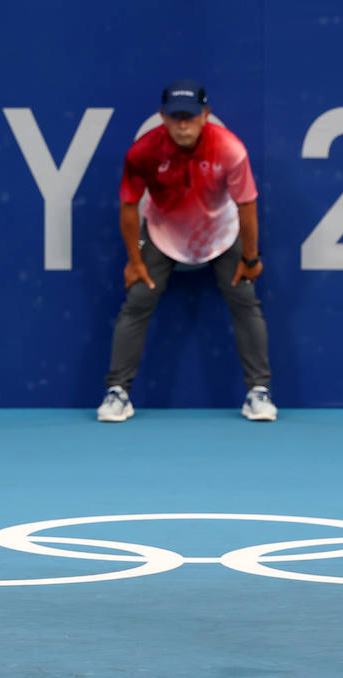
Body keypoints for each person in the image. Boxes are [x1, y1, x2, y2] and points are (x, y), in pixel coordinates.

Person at [96, 79, 275, 422]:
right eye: (175, 116)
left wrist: (251, 258)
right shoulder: (143, 152)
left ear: (205, 115)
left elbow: (247, 206)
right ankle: (117, 392)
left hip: (221, 235)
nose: (182, 124)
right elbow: (129, 206)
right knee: (137, 300)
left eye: (190, 116)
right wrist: (134, 261)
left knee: (245, 300)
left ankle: (259, 391)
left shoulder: (229, 149)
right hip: (163, 235)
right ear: (162, 117)